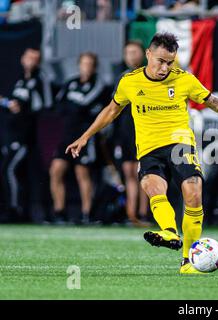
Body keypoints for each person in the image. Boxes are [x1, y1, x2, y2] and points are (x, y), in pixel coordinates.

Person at [65, 32, 218, 274]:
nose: (165, 67)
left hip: (179, 145)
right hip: (149, 149)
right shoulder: (129, 82)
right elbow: (111, 110)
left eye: (170, 62)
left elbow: (214, 102)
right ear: (148, 54)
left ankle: (187, 261)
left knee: (193, 193)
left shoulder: (184, 80)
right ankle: (170, 232)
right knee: (153, 188)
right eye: (160, 61)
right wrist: (85, 136)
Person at [49, 52, 108, 224]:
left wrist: (71, 106)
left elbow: (83, 105)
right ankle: (59, 212)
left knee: (82, 173)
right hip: (66, 135)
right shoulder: (71, 83)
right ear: (79, 65)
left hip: (84, 136)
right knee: (56, 170)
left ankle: (86, 214)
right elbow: (58, 105)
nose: (86, 67)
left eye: (90, 64)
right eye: (83, 63)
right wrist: (70, 107)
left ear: (94, 66)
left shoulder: (99, 85)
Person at [0, 48, 52, 222]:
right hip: (11, 132)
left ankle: (14, 209)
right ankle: (18, 209)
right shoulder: (19, 79)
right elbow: (9, 100)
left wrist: (26, 107)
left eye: (35, 58)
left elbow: (46, 104)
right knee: (16, 172)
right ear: (23, 59)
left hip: (25, 135)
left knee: (9, 169)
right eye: (29, 57)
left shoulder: (40, 78)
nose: (31, 61)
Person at [113, 40, 150, 227]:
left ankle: (143, 214)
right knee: (128, 171)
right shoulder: (122, 77)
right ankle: (131, 214)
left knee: (142, 172)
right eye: (127, 52)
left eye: (134, 52)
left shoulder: (148, 76)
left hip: (143, 130)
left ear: (143, 54)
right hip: (126, 130)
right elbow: (115, 108)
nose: (131, 56)